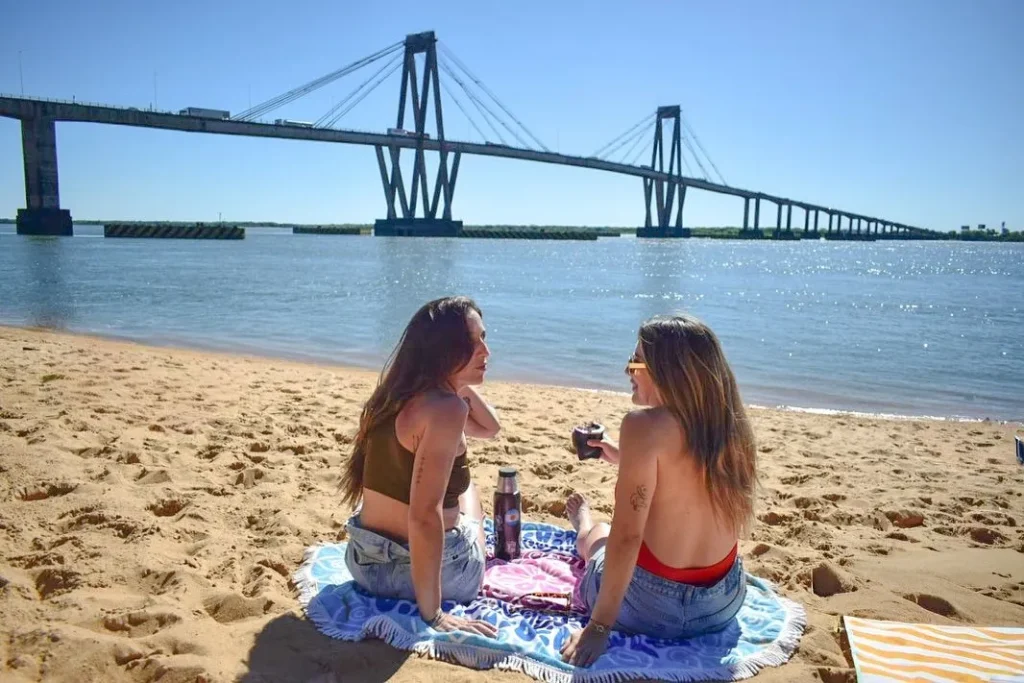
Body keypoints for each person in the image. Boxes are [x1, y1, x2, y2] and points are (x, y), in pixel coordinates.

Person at [561, 314, 757, 667]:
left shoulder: (642, 426)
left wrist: (599, 627)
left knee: (602, 537)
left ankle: (584, 526)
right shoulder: (728, 424)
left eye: (636, 360)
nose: (627, 370)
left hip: (649, 606)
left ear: (668, 370)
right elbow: (689, 478)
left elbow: (627, 538)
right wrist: (624, 458)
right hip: (721, 603)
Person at [339, 296, 500, 637]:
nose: (486, 351)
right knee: (471, 496)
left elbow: (490, 428)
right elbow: (425, 514)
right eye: (472, 344)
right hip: (433, 576)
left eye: (484, 338)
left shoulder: (391, 395)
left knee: (457, 487)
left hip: (364, 565)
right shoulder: (445, 409)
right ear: (442, 350)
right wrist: (434, 614)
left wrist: (458, 379)